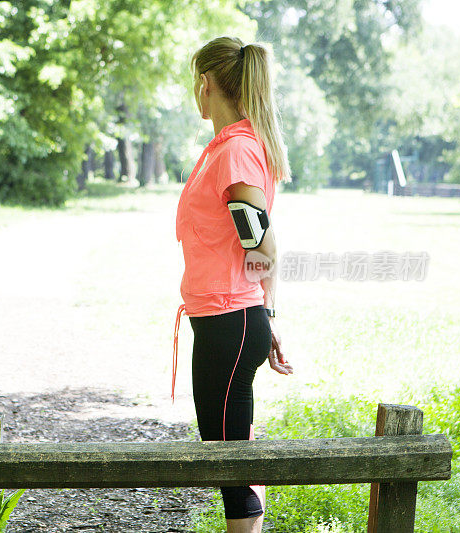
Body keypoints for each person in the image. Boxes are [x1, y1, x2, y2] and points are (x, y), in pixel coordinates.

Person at [173, 36, 294, 533]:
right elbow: (259, 246)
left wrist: (260, 315)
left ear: (205, 84)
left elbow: (261, 246)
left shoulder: (237, 151)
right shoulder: (230, 147)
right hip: (230, 321)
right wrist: (265, 316)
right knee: (229, 454)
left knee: (230, 466)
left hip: (229, 324)